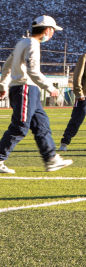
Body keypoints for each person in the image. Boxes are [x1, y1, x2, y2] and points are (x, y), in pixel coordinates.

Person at [0, 15, 73, 174]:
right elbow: (33, 71)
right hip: (25, 88)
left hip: (26, 88)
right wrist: (49, 87)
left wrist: (3, 84)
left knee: (42, 124)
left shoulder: (23, 42)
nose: (53, 34)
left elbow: (7, 65)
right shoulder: (33, 44)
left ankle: (51, 159)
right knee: (20, 126)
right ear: (47, 30)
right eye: (53, 30)